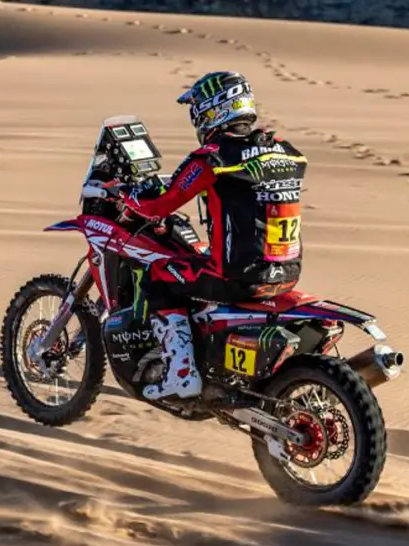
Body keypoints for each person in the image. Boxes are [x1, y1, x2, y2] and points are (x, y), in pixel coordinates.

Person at [118, 70, 308, 401]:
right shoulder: (287, 151)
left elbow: (162, 202)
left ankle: (181, 374)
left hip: (238, 276)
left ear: (213, 110)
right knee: (199, 260)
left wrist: (128, 197)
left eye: (197, 109)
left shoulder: (214, 157)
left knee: (159, 273)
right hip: (287, 274)